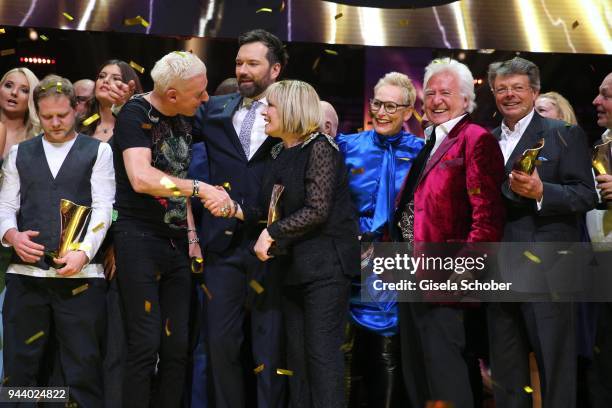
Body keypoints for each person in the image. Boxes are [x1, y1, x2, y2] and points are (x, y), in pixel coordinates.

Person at [206, 79, 360, 408]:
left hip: (326, 270)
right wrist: (233, 208)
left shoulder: (320, 148)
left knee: (321, 360)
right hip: (295, 270)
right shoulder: (280, 152)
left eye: (271, 105)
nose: (265, 112)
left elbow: (317, 210)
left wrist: (272, 234)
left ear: (290, 109)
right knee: (298, 362)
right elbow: (267, 209)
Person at [111, 50, 223, 408]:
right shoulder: (135, 113)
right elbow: (143, 178)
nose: (205, 98)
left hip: (176, 240)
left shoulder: (184, 117)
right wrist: (198, 187)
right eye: (199, 93)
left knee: (177, 346)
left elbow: (172, 180)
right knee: (145, 344)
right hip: (138, 238)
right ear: (172, 94)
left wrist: (192, 236)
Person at [394, 58, 506, 408]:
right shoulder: (429, 141)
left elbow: (487, 215)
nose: (436, 100)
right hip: (412, 276)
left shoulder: (476, 139)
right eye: (430, 92)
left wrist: (465, 274)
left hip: (448, 279)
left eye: (446, 92)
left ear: (465, 98)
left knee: (446, 375)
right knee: (417, 373)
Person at [486, 57, 597, 408]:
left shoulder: (563, 135)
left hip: (548, 269)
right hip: (498, 268)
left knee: (555, 367)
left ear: (534, 91)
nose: (509, 95)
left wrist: (542, 193)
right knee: (505, 371)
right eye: (502, 88)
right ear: (492, 93)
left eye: (517, 88)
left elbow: (586, 195)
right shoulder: (484, 141)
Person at [0, 74, 115, 406]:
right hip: (26, 277)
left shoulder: (98, 151)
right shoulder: (20, 153)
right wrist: (11, 235)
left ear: (76, 110)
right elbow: (6, 206)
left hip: (81, 278)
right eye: (47, 116)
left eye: (62, 115)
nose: (54, 123)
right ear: (37, 112)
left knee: (82, 370)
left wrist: (83, 252)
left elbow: (103, 209)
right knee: (20, 369)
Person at [192, 29, 288, 408]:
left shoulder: (292, 114)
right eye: (238, 63)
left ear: (276, 69)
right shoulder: (214, 110)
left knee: (270, 351)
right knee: (219, 346)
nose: (243, 70)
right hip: (221, 247)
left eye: (253, 63)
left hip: (273, 246)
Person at [336, 72, 423, 407]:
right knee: (346, 349)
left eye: (391, 106)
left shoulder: (421, 152)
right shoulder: (347, 146)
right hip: (350, 257)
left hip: (395, 260)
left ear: (407, 111)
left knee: (388, 348)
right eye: (377, 104)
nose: (382, 112)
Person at [586, 72, 612, 407]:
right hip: (600, 262)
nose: (596, 101)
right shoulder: (601, 143)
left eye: (605, 95)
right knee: (601, 358)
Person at [79, 60, 142, 142]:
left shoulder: (137, 125)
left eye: (116, 78)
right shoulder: (82, 123)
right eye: (101, 76)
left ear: (129, 88)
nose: (106, 80)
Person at [0, 67, 40, 157]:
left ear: (32, 99)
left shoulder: (37, 138)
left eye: (24, 90)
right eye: (8, 85)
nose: (14, 92)